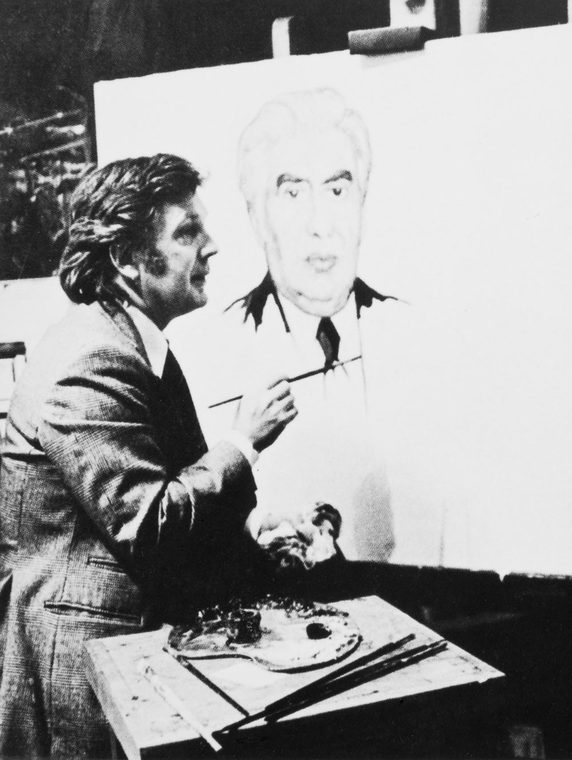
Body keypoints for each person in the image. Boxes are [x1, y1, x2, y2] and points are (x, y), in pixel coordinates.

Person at [0, 154, 334, 757]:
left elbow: (167, 482)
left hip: (127, 643)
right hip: (86, 658)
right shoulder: (89, 359)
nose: (211, 246)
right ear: (127, 257)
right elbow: (150, 523)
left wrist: (255, 524)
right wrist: (244, 443)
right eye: (187, 232)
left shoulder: (133, 342)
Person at [197, 87, 404, 562]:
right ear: (256, 216)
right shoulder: (212, 351)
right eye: (292, 193)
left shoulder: (412, 333)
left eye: (337, 190)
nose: (320, 223)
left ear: (363, 203)